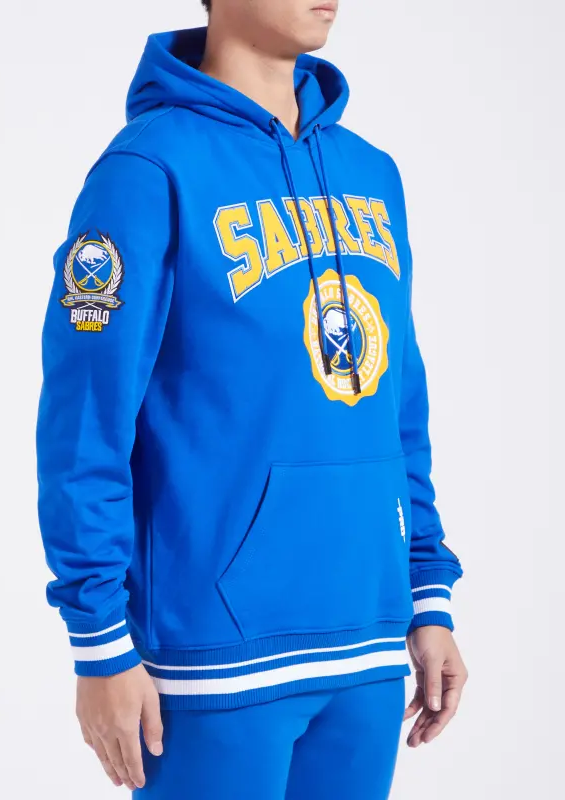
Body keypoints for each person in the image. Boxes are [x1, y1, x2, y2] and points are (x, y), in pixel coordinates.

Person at [35, 1, 468, 797]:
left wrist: (426, 595)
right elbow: (85, 422)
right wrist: (99, 641)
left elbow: (400, 406)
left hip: (369, 644)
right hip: (214, 657)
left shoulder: (372, 173)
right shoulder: (146, 170)